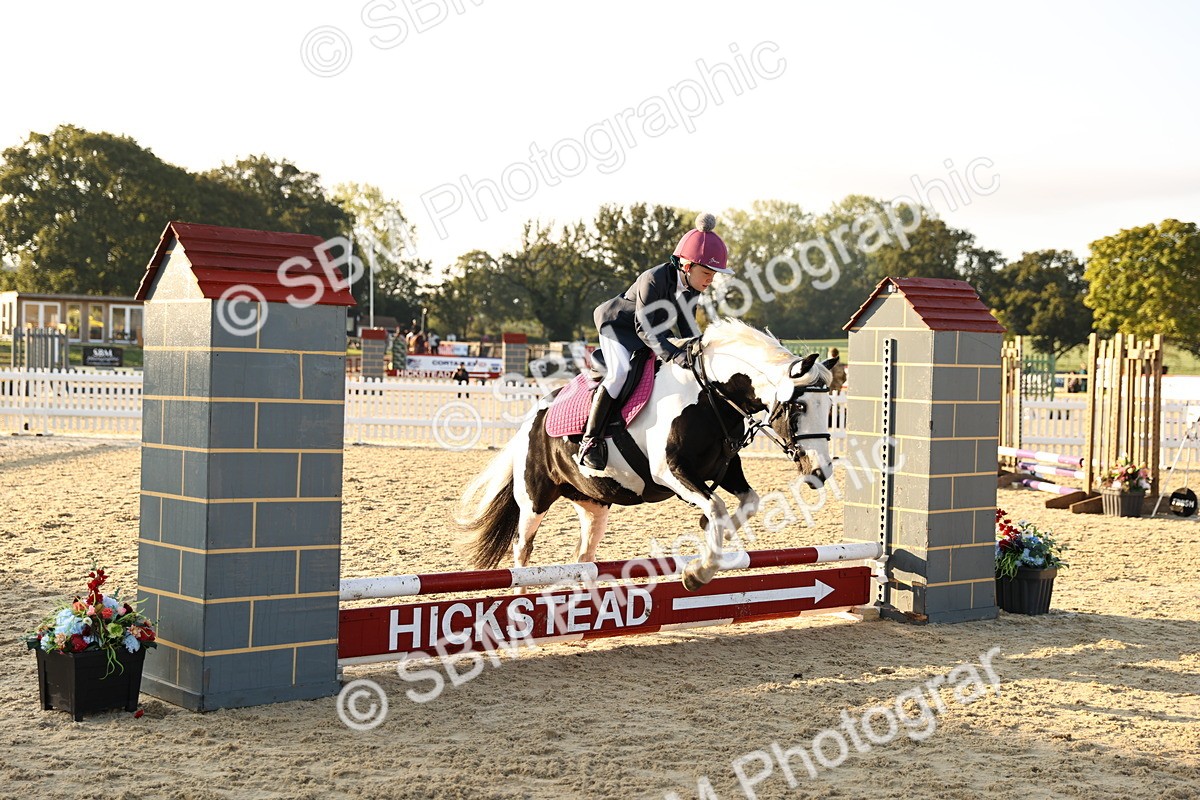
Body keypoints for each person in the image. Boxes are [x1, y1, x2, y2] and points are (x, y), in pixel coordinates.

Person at [575, 212, 732, 472]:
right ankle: (590, 440)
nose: (710, 279)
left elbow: (687, 327)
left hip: (650, 330)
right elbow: (643, 327)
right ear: (686, 265)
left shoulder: (692, 289)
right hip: (617, 326)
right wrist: (675, 355)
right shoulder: (653, 279)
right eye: (706, 272)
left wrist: (700, 349)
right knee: (619, 373)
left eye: (713, 274)